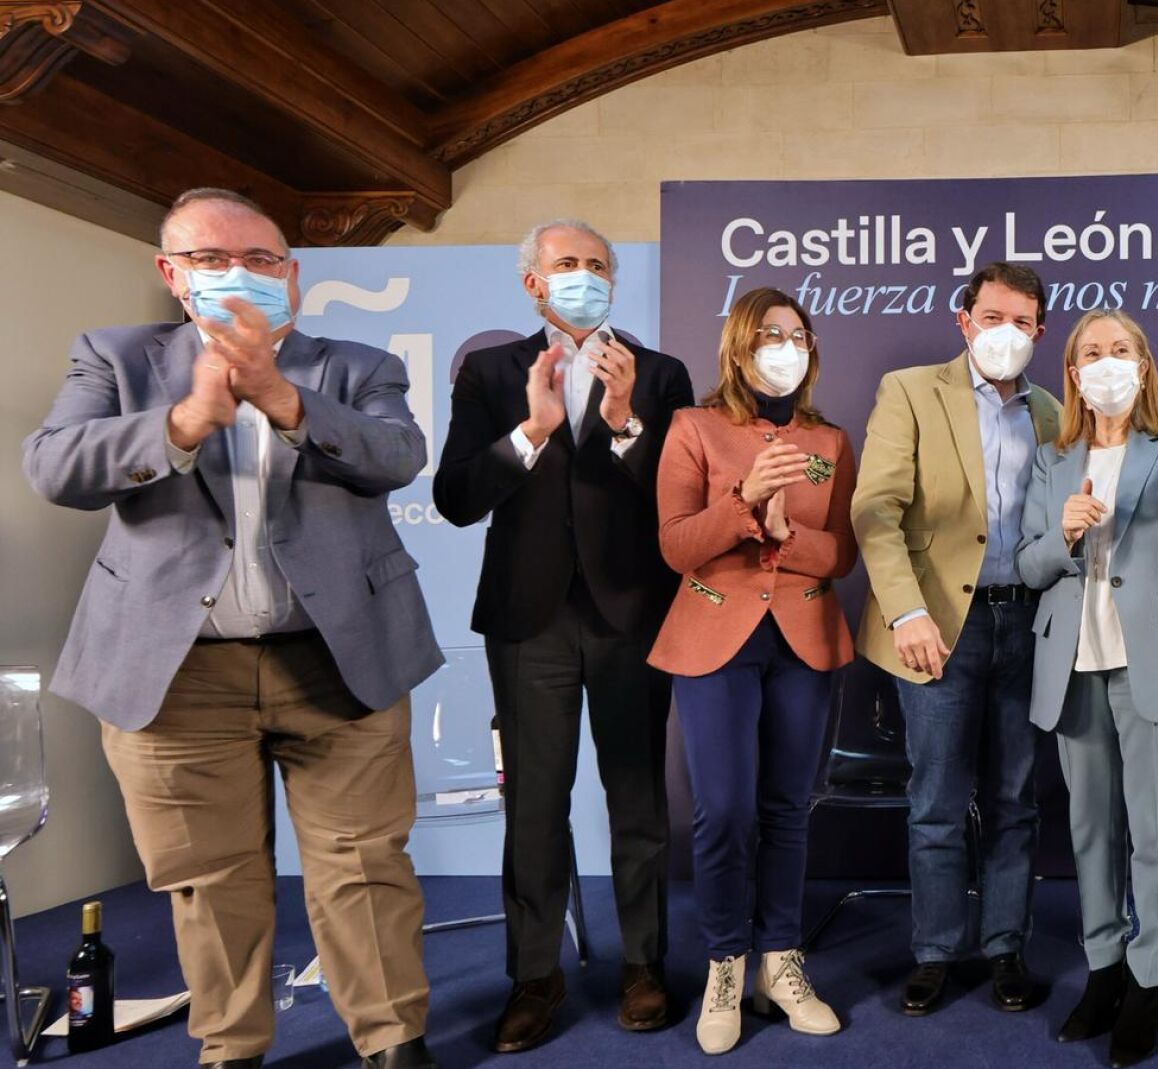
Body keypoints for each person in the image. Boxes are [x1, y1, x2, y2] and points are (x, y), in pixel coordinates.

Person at [22, 187, 443, 1069]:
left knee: (364, 864)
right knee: (209, 877)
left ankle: (393, 1039)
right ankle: (233, 1046)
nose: (238, 273)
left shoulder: (357, 365)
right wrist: (183, 423)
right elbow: (55, 466)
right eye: (211, 259)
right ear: (172, 274)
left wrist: (282, 399)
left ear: (291, 273)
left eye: (259, 258)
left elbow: (398, 454)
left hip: (340, 659)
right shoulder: (114, 356)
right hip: (175, 673)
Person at [433, 218, 694, 1052]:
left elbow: (681, 499)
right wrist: (533, 431)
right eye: (567, 263)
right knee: (535, 807)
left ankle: (644, 964)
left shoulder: (660, 374)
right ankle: (534, 976)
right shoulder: (490, 372)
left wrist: (624, 422)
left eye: (597, 265)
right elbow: (455, 497)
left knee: (638, 800)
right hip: (528, 621)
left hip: (632, 616)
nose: (585, 275)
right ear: (533, 284)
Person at [1017, 308, 1158, 1068]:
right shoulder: (1052, 457)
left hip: (1156, 657)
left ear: (1144, 366)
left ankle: (1150, 979)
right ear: (1073, 372)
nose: (1107, 361)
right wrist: (1063, 534)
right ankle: (1104, 968)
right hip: (1072, 659)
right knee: (1091, 831)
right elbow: (1028, 564)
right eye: (1092, 351)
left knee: (1154, 835)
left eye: (1121, 349)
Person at [649, 288, 859, 1054]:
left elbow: (842, 553)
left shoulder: (829, 440)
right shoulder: (694, 427)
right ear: (740, 345)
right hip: (715, 637)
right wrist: (744, 502)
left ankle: (781, 961)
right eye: (772, 333)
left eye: (799, 335)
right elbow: (676, 545)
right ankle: (725, 965)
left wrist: (785, 531)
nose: (787, 346)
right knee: (724, 810)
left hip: (804, 639)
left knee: (788, 808)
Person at [850, 262, 1062, 1015]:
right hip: (937, 625)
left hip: (1026, 621)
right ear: (964, 319)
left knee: (1014, 799)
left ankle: (1005, 946)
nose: (1007, 332)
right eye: (993, 316)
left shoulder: (1053, 411)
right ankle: (936, 951)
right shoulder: (911, 390)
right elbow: (876, 509)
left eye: (1022, 321)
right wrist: (906, 612)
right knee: (937, 801)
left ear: (1040, 332)